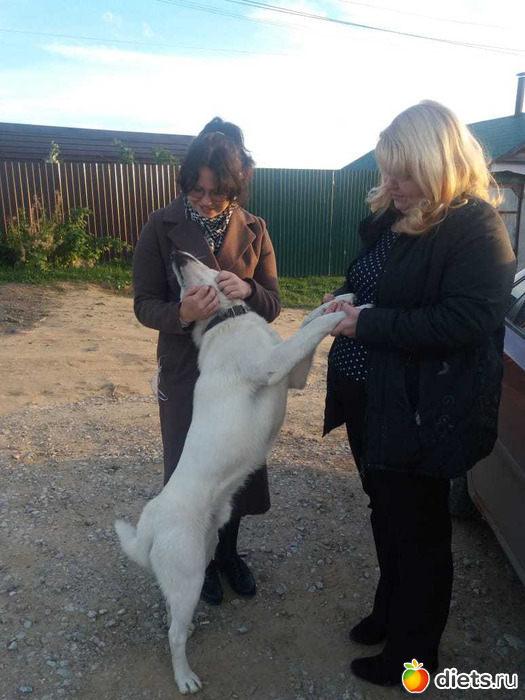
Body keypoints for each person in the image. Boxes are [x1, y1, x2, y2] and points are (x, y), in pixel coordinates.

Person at [322, 100, 516, 686]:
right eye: (387, 173)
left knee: (421, 533)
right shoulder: (396, 216)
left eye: (402, 175)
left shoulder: (475, 227)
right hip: (369, 394)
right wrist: (345, 299)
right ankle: (389, 612)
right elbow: (371, 283)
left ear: (437, 164)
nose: (391, 186)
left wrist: (368, 322)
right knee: (386, 512)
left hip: (419, 409)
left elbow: (466, 321)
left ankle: (413, 657)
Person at [132, 117, 280, 606]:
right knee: (190, 471)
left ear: (235, 188)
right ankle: (202, 559)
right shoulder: (160, 226)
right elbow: (143, 304)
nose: (206, 200)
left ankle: (229, 552)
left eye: (217, 193)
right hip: (185, 370)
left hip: (239, 373)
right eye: (196, 190)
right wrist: (181, 313)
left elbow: (274, 303)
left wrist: (250, 290)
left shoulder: (255, 230)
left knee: (235, 468)